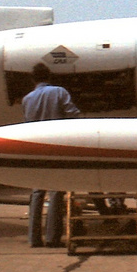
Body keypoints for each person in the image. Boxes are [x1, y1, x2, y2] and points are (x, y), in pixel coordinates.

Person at [21, 63, 80, 247]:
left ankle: (33, 238)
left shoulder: (27, 99)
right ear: (49, 76)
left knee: (37, 192)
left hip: (36, 148)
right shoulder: (59, 92)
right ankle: (53, 237)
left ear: (33, 78)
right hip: (56, 147)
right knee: (55, 192)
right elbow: (73, 114)